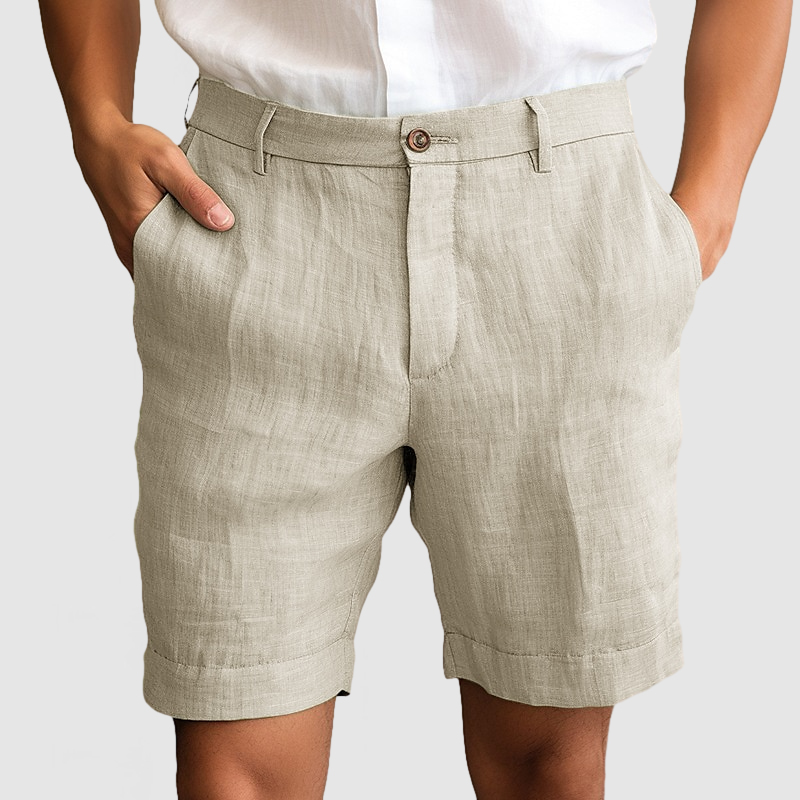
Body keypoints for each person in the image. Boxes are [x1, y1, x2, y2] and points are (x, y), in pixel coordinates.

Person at [38, 1, 791, 798]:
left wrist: (709, 206)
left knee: (548, 761)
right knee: (236, 758)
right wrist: (96, 122)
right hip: (253, 220)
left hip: (563, 233)